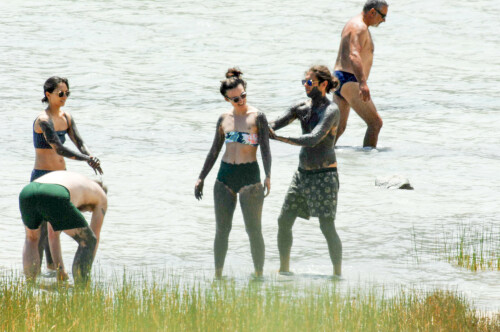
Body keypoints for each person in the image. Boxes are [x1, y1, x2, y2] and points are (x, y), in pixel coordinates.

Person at [195, 68, 271, 279]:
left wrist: (268, 175)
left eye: (243, 95)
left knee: (253, 231)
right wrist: (201, 177)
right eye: (235, 98)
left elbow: (265, 148)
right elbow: (214, 150)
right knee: (222, 230)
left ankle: (258, 276)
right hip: (225, 176)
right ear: (227, 99)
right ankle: (218, 276)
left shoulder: (258, 117)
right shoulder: (223, 119)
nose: (241, 100)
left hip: (250, 176)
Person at [269, 65, 342, 276]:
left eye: (309, 82)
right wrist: (253, 121)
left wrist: (278, 138)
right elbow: (274, 124)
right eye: (304, 82)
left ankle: (337, 275)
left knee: (326, 227)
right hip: (302, 175)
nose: (305, 86)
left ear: (324, 84)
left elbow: (312, 139)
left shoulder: (331, 111)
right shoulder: (301, 108)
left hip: (324, 175)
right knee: (284, 221)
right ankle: (284, 270)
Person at [32, 76, 103, 273]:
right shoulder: (43, 120)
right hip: (42, 176)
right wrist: (84, 159)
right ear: (48, 94)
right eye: (60, 93)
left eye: (67, 93)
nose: (64, 97)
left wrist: (91, 156)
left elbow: (79, 142)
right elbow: (59, 148)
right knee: (41, 231)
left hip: (61, 178)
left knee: (56, 228)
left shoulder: (67, 118)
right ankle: (44, 273)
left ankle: (54, 271)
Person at [19, 171, 107, 283]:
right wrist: (62, 270)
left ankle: (30, 288)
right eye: (89, 210)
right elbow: (94, 236)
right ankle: (81, 291)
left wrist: (60, 269)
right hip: (55, 193)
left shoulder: (77, 181)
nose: (88, 211)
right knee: (89, 241)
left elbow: (53, 235)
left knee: (31, 239)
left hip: (28, 191)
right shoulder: (102, 196)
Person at [333, 0, 389, 148]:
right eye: (383, 16)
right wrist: (362, 83)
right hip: (350, 79)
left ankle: (318, 157)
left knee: (338, 129)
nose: (383, 20)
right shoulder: (359, 27)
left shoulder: (354, 24)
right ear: (372, 12)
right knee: (375, 123)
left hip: (341, 78)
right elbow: (354, 55)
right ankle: (369, 166)